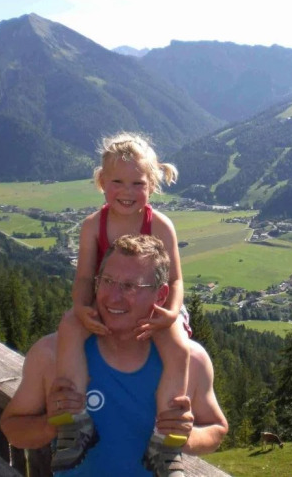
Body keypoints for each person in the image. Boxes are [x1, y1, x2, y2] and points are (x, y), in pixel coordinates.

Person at [0, 235, 228, 476]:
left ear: (160, 295)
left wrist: (187, 436)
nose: (113, 297)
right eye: (107, 281)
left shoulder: (191, 359)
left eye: (130, 286)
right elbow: (12, 428)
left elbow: (216, 429)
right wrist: (50, 424)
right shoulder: (52, 353)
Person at [54, 132, 190, 473]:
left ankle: (167, 439)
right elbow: (84, 278)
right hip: (107, 302)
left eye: (137, 183)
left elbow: (175, 280)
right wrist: (81, 308)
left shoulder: (160, 225)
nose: (127, 192)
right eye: (117, 182)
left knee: (178, 348)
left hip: (157, 305)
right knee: (69, 327)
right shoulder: (93, 226)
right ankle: (75, 423)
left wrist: (171, 313)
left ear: (152, 185)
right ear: (102, 182)